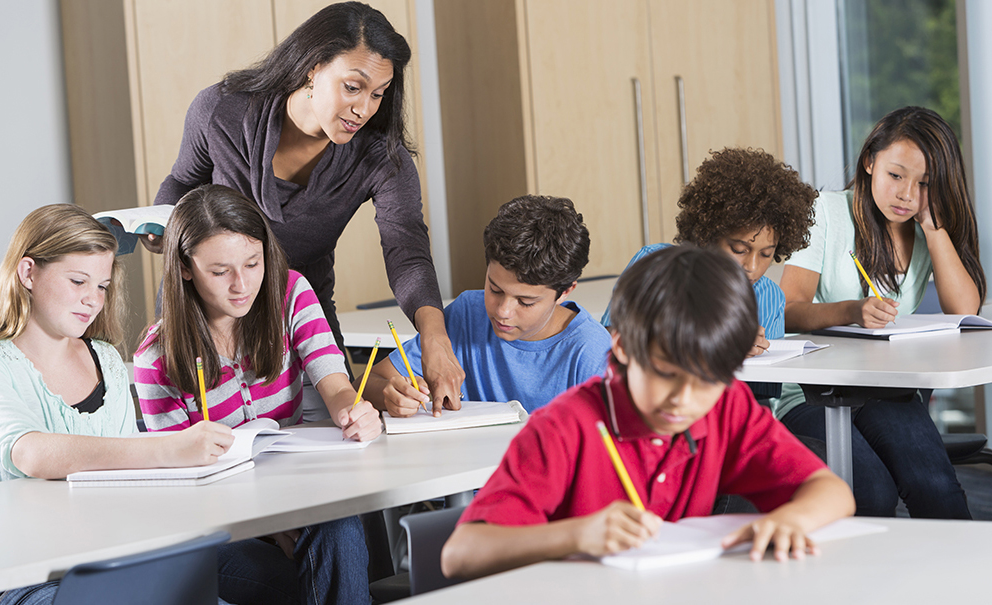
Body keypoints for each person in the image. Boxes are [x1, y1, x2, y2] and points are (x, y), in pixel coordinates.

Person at [440, 246, 854, 580]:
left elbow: (833, 492)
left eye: (708, 380)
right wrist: (577, 535)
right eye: (665, 374)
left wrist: (791, 520)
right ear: (619, 346)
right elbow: (460, 556)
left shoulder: (724, 408)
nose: (683, 400)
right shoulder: (566, 426)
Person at [148, 1, 465, 407]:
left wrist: (434, 337)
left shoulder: (382, 157)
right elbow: (183, 180)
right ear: (313, 67)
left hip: (303, 312)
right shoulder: (222, 111)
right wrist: (160, 228)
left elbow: (407, 249)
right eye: (353, 87)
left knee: (337, 421)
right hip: (208, 310)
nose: (364, 110)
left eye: (378, 95)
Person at [134, 185, 380, 605]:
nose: (242, 285)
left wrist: (353, 411)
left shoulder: (290, 292)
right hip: (216, 523)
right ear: (185, 268)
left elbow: (333, 381)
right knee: (299, 584)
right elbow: (180, 484)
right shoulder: (156, 358)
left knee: (337, 528)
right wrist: (265, 525)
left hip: (297, 495)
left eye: (253, 262)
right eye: (220, 271)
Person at [0, 205, 233, 605]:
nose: (93, 300)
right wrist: (166, 449)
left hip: (120, 555)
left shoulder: (105, 358)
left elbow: (129, 484)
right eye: (78, 281)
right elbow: (31, 453)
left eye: (102, 286)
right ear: (28, 273)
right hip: (35, 576)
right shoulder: (3, 365)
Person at [776, 106, 986, 518]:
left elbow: (964, 308)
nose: (907, 194)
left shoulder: (924, 229)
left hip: (883, 387)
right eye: (896, 176)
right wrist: (852, 311)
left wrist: (933, 227)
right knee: (870, 489)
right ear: (870, 161)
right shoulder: (826, 212)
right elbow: (785, 311)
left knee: (935, 486)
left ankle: (969, 581)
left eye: (925, 183)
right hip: (809, 391)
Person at [362, 195, 612, 416]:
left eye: (525, 301)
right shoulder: (467, 314)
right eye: (494, 289)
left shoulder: (591, 353)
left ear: (565, 291)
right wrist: (389, 394)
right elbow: (364, 384)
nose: (502, 311)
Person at [602, 147, 818, 399]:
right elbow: (607, 346)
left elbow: (764, 396)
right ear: (709, 234)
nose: (752, 267)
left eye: (766, 254)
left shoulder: (769, 297)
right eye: (739, 249)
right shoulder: (654, 264)